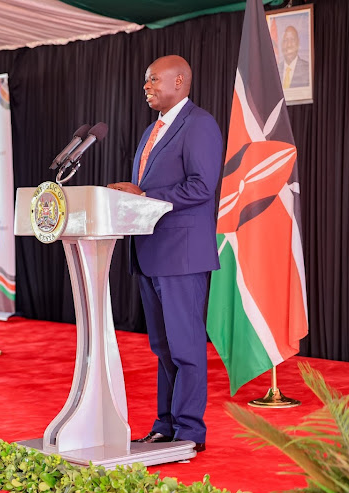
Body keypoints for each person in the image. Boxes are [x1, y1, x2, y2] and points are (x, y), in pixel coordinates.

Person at [107, 55, 223, 452]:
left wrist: (144, 195)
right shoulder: (151, 130)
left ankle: (190, 432)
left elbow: (201, 187)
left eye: (153, 79)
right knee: (163, 347)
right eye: (146, 80)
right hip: (151, 253)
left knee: (186, 347)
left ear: (179, 81)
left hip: (183, 255)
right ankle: (166, 424)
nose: (147, 86)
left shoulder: (199, 125)